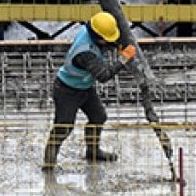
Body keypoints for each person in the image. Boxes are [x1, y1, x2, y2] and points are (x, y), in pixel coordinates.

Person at [42, 10, 138, 170]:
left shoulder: (90, 29)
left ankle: (93, 151)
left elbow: (106, 40)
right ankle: (49, 163)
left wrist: (118, 44)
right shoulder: (85, 52)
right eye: (105, 40)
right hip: (67, 90)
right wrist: (123, 59)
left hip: (84, 87)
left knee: (98, 117)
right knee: (63, 127)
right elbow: (103, 75)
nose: (106, 42)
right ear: (96, 36)